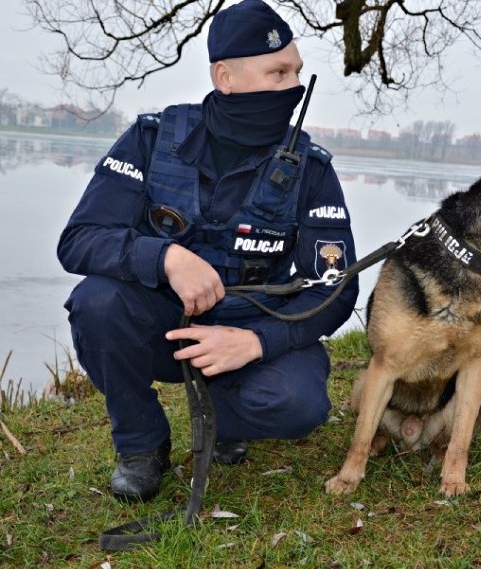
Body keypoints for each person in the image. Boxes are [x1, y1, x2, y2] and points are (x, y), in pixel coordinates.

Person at [57, 0, 359, 502]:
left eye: (296, 72)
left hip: (252, 326)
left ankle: (225, 417)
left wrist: (256, 342)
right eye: (277, 72)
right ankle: (141, 446)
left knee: (299, 404)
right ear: (226, 77)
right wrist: (165, 258)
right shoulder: (152, 141)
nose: (293, 86)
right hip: (165, 324)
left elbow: (334, 289)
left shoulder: (312, 171)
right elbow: (80, 239)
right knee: (97, 303)